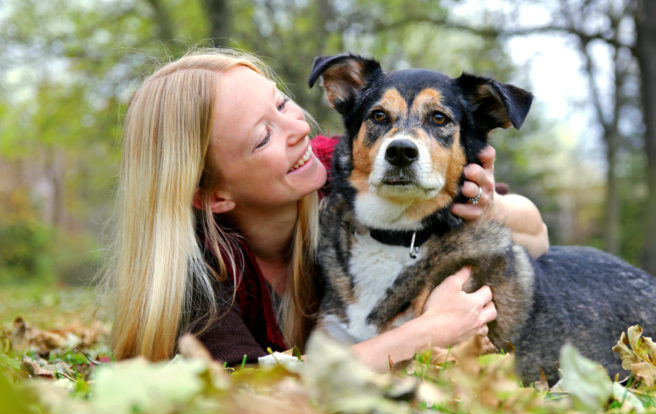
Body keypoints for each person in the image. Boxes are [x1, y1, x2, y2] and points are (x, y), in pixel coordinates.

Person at [108, 49, 549, 371]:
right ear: (211, 194)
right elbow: (242, 396)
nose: (298, 128)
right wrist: (424, 334)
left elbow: (536, 236)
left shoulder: (333, 167)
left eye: (282, 103)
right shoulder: (197, 272)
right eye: (263, 136)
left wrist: (487, 204)